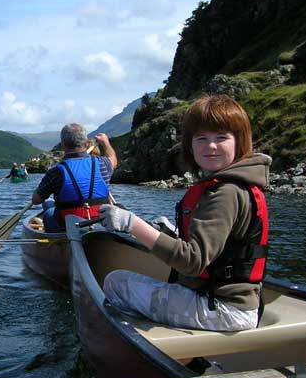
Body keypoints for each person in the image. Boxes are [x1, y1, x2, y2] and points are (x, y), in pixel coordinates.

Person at [100, 95, 270, 332]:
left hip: (224, 309)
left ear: (239, 142)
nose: (211, 146)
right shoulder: (229, 186)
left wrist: (132, 225)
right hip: (227, 302)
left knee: (115, 283)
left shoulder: (226, 193)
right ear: (191, 145)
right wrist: (168, 234)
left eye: (221, 137)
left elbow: (192, 261)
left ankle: (154, 349)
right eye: (202, 138)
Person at [31, 123, 117, 232]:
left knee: (48, 206)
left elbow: (36, 200)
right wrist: (106, 144)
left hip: (67, 225)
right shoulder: (102, 163)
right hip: (100, 221)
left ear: (63, 145)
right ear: (86, 143)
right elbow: (113, 160)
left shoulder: (55, 172)